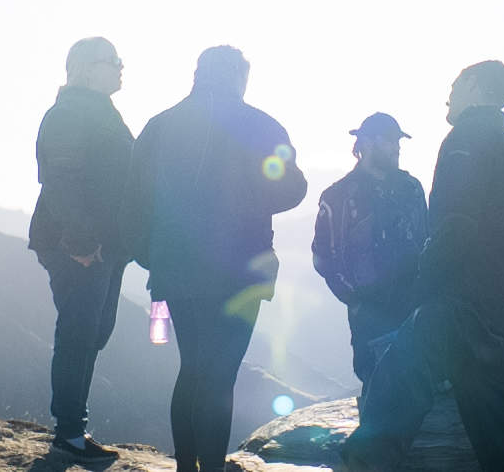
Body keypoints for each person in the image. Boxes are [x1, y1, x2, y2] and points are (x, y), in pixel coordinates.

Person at [343, 60, 504, 472]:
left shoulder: (465, 138)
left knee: (394, 384)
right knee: (497, 424)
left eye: (456, 83)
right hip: (498, 302)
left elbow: (455, 226)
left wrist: (423, 290)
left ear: (475, 86)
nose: (448, 93)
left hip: (457, 302)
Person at [133, 45, 308, 472]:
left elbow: (133, 197)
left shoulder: (159, 125)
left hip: (174, 267)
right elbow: (291, 188)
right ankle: (210, 466)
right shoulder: (259, 125)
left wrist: (148, 255)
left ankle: (184, 467)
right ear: (239, 79)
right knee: (221, 373)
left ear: (198, 74)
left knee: (191, 367)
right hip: (238, 269)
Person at [28, 37, 135, 466]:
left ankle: (73, 432)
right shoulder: (70, 113)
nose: (122, 69)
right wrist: (81, 243)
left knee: (91, 334)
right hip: (77, 247)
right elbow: (61, 181)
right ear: (87, 69)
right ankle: (69, 436)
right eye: (115, 61)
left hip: (101, 246)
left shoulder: (95, 110)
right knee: (78, 335)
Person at [309, 112, 428, 382]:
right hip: (370, 314)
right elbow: (322, 257)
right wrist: (357, 300)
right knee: (377, 383)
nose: (397, 147)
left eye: (398, 141)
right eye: (389, 140)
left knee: (418, 385)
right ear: (366, 144)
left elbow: (427, 239)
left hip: (415, 308)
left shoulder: (412, 189)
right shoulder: (338, 196)